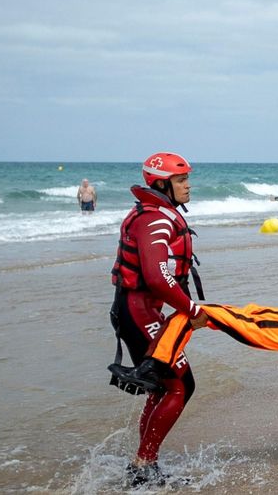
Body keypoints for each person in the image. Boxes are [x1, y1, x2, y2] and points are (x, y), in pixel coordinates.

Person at [109, 152, 208, 488]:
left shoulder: (158, 214)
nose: (188, 186)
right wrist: (192, 311)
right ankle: (142, 465)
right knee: (181, 384)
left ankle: (143, 461)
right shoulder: (156, 220)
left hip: (142, 309)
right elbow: (156, 277)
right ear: (162, 184)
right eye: (181, 180)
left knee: (160, 386)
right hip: (138, 310)